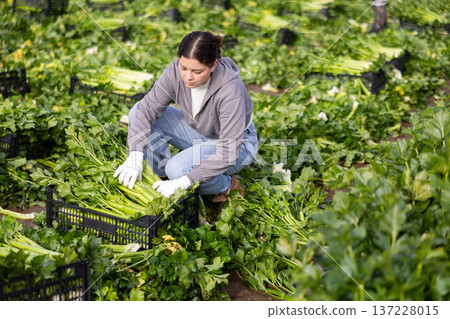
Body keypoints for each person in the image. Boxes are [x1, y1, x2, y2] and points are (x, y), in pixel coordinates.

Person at [114, 31, 258, 202]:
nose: (188, 77)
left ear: (213, 65)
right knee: (137, 110)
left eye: (197, 71)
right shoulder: (175, 73)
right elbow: (145, 110)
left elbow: (228, 152)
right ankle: (162, 175)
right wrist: (135, 155)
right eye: (183, 68)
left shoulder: (230, 91)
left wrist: (184, 180)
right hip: (202, 132)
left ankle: (228, 187)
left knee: (178, 169)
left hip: (237, 145)